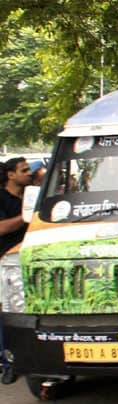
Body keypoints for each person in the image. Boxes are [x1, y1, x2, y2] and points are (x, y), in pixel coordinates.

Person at [0, 157, 30, 384]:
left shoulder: (31, 196)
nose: (29, 173)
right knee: (7, 312)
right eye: (24, 170)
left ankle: (28, 358)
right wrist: (25, 217)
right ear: (11, 175)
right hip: (6, 262)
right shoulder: (2, 199)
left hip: (27, 261)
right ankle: (8, 362)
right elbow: (2, 227)